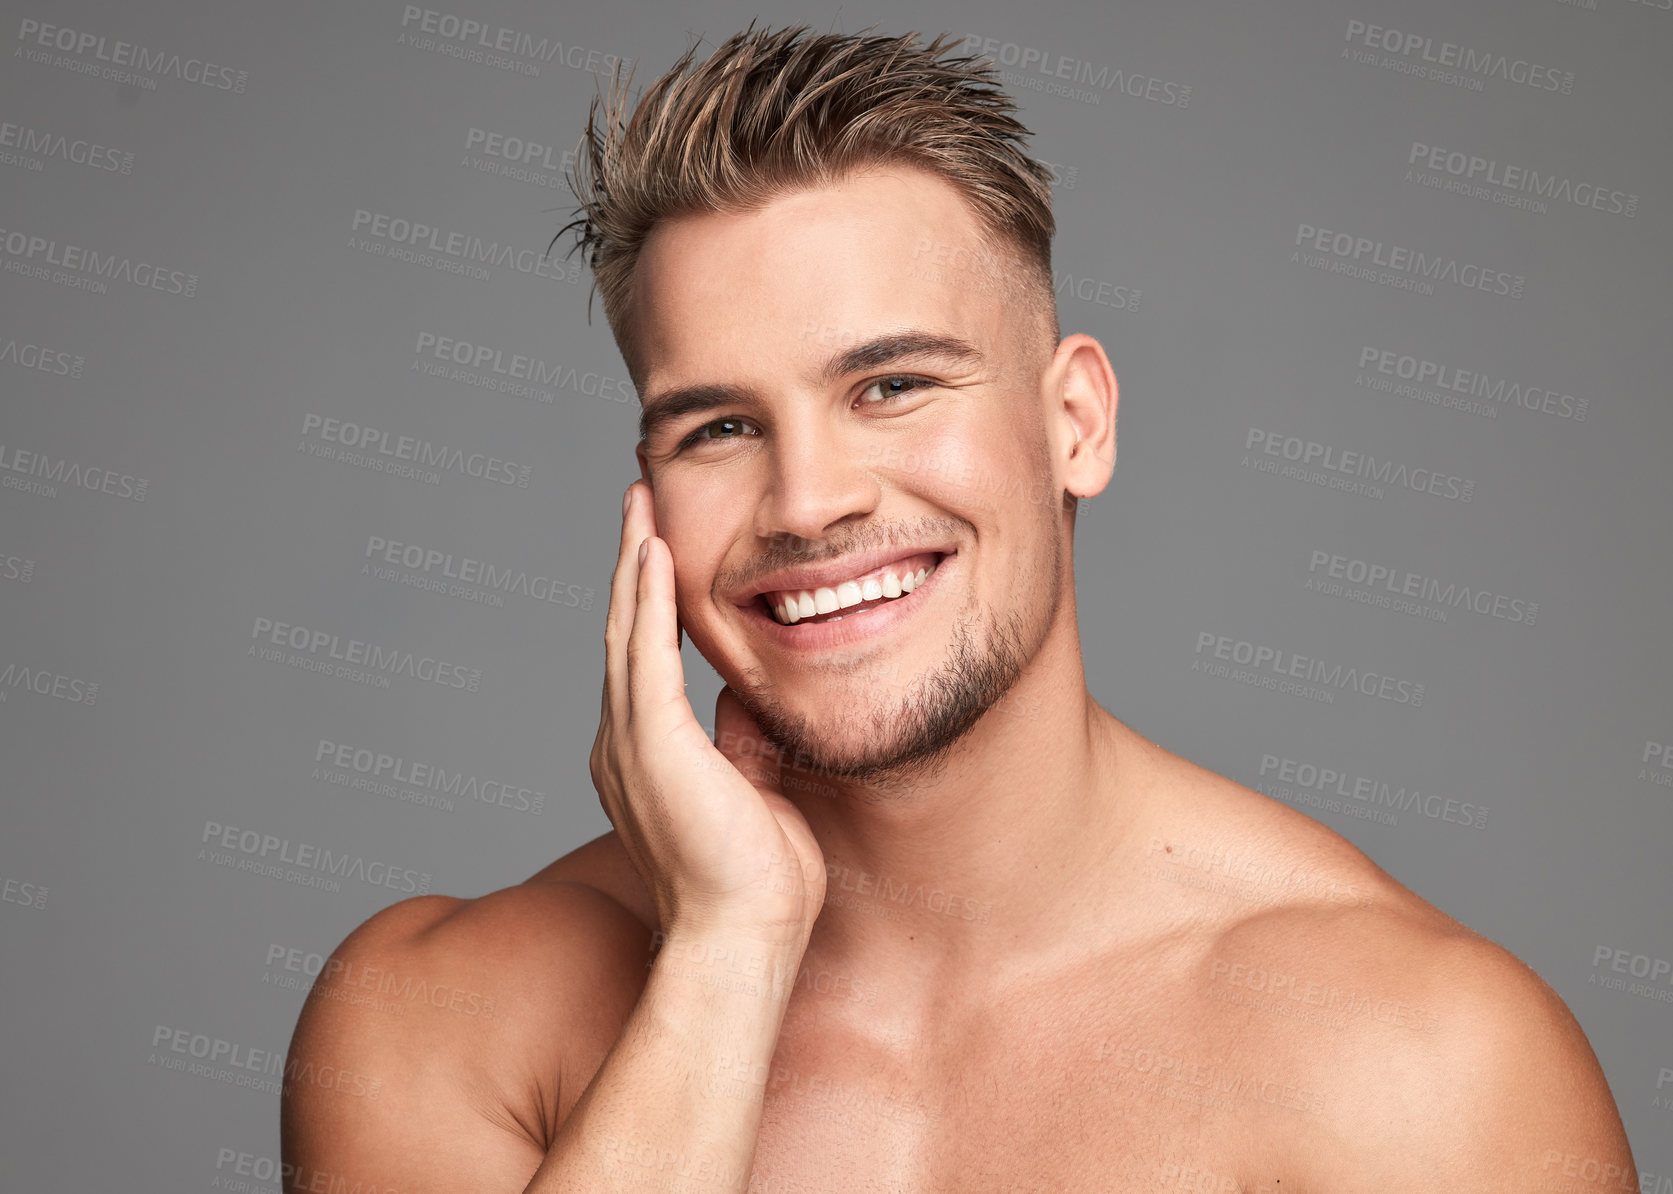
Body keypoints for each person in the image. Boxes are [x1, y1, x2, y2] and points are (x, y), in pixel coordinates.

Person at [282, 23, 1638, 1193]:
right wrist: (725, 951)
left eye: (892, 386)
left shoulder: (1420, 1064)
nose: (808, 500)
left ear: (1074, 425)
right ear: (642, 494)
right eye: (714, 429)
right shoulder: (440, 1019)